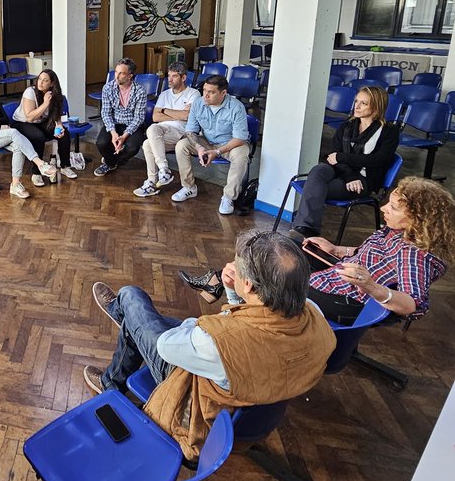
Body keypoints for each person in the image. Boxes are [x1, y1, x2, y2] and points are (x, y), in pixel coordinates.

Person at [82, 230, 335, 459]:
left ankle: (119, 337)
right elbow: (253, 325)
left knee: (130, 296)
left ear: (248, 284)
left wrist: (197, 323)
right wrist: (231, 291)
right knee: (140, 324)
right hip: (253, 404)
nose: (233, 266)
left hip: (192, 395)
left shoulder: (218, 341)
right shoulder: (315, 316)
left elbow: (167, 346)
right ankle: (121, 351)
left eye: (238, 265)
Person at [180, 177, 454, 325]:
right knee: (283, 244)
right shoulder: (395, 231)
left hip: (348, 301)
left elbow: (414, 305)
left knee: (268, 276)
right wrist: (337, 248)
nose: (383, 209)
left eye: (393, 208)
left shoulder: (414, 253)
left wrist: (371, 286)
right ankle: (224, 287)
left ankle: (229, 302)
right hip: (336, 277)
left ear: (419, 220)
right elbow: (370, 253)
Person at [291, 85, 399, 237]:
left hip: (363, 180)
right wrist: (349, 175)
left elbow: (377, 160)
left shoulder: (389, 131)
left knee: (316, 188)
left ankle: (304, 228)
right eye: (356, 101)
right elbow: (331, 155)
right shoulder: (347, 125)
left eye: (364, 103)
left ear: (376, 106)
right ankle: (306, 229)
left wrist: (342, 157)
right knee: (317, 170)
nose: (357, 106)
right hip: (343, 172)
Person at [0, 71, 56, 199]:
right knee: (13, 132)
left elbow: (5, 119)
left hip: (1, 133)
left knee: (18, 147)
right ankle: (40, 164)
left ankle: (15, 185)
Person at [172, 74, 250, 215]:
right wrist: (199, 147)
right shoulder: (198, 103)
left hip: (230, 144)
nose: (205, 95)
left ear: (223, 93)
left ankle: (228, 197)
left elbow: (240, 138)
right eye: (204, 90)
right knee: (181, 145)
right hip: (206, 141)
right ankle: (189, 187)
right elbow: (190, 131)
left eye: (211, 92)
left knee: (241, 155)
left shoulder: (236, 107)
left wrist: (217, 152)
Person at [134, 62, 198, 197]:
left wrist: (165, 110)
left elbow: (186, 116)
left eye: (174, 76)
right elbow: (156, 117)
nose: (169, 79)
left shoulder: (193, 94)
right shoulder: (164, 94)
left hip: (182, 133)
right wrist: (177, 114)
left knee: (151, 131)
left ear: (184, 78)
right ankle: (156, 177)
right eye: (169, 76)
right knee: (147, 142)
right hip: (163, 131)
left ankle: (160, 173)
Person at [12, 68, 77, 184]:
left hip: (40, 122)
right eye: (40, 79)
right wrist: (46, 103)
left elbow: (56, 115)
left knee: (64, 134)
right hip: (22, 123)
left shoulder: (55, 95)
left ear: (52, 83)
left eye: (45, 80)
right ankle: (36, 172)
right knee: (38, 136)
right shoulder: (30, 92)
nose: (40, 83)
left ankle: (65, 166)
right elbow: (29, 117)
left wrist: (59, 126)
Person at [94, 58, 148, 177]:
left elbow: (138, 118)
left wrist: (124, 136)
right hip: (114, 123)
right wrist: (113, 133)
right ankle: (112, 161)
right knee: (100, 143)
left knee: (133, 148)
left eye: (121, 73)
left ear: (130, 76)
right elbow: (106, 113)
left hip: (132, 125)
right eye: (116, 72)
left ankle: (110, 161)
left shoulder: (140, 91)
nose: (116, 76)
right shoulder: (108, 88)